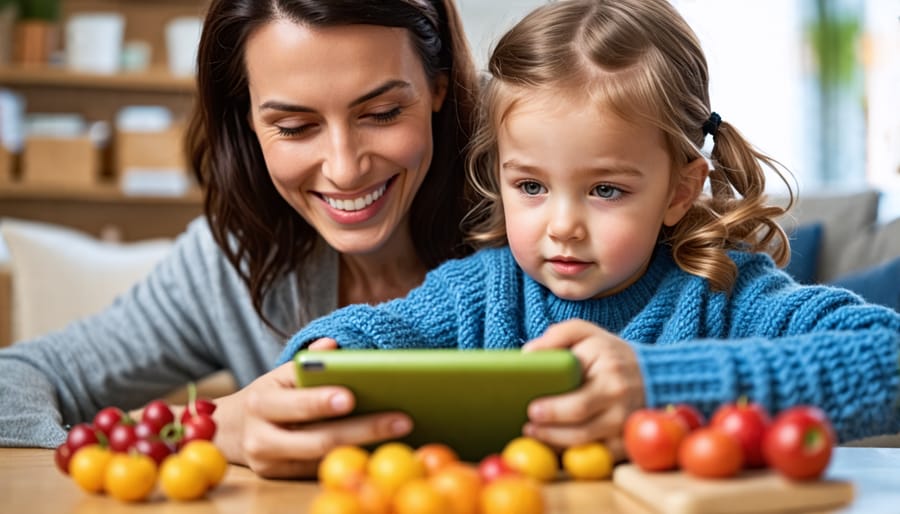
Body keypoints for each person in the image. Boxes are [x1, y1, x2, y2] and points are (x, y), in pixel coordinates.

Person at [278, 0, 900, 459]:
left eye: (606, 190)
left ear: (679, 189)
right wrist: (322, 357)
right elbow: (377, 331)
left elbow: (889, 358)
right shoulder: (481, 293)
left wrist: (659, 384)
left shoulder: (726, 295)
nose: (564, 227)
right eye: (531, 187)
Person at [0, 0, 480, 478]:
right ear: (248, 118)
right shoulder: (234, 259)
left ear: (438, 86)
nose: (344, 168)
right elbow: (13, 381)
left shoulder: (539, 226)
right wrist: (209, 426)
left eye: (382, 113)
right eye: (294, 127)